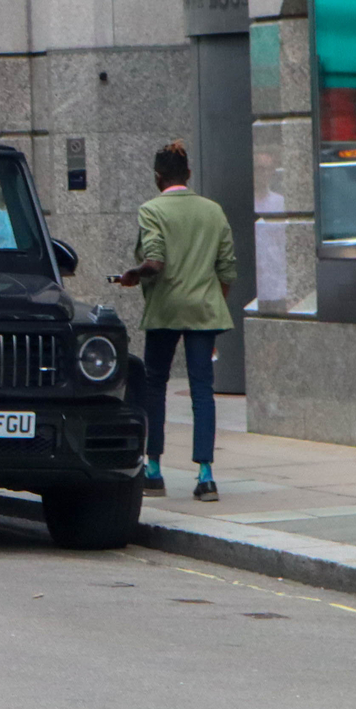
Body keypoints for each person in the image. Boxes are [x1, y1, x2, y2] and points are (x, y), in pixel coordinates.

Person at [115, 141, 236, 502]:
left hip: (165, 309)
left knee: (155, 385)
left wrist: (134, 273)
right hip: (204, 309)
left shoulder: (152, 210)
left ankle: (153, 469)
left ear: (157, 177)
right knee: (203, 389)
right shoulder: (213, 211)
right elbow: (227, 268)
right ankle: (206, 475)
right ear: (189, 174)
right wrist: (214, 307)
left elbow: (154, 260)